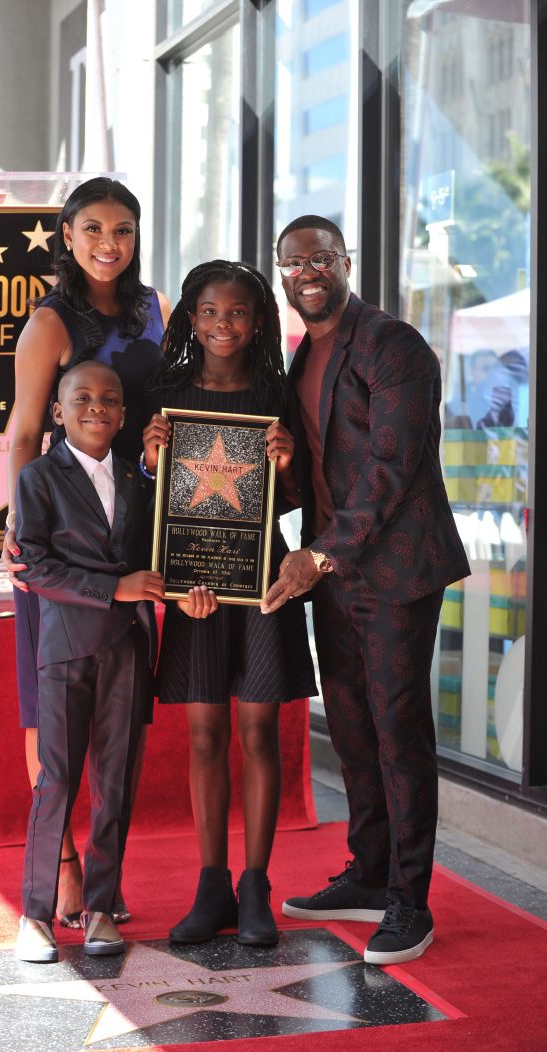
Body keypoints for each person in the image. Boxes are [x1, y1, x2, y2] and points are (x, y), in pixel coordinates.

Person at [261, 216, 471, 966]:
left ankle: (411, 903)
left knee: (397, 731)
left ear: (346, 263)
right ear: (280, 272)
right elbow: (313, 469)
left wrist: (315, 557)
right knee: (350, 727)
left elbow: (390, 469)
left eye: (321, 258)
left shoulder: (393, 345)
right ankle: (371, 873)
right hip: (335, 572)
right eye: (294, 261)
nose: (307, 270)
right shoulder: (300, 355)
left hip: (395, 570)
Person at [3, 177, 170, 927]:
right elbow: (23, 429)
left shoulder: (153, 309)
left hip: (133, 527)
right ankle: (62, 869)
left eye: (125, 229)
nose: (111, 243)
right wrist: (20, 526)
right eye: (94, 227)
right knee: (51, 716)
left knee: (114, 721)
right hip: (63, 536)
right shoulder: (50, 320)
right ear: (66, 234)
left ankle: (102, 879)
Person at [142, 260, 317, 947]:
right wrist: (152, 461)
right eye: (210, 312)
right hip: (195, 582)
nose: (223, 324)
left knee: (259, 733)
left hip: (261, 577)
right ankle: (210, 883)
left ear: (259, 322)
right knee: (206, 734)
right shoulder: (168, 393)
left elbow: (300, 498)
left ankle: (254, 886)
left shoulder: (281, 393)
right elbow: (148, 501)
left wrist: (285, 463)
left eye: (238, 313)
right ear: (191, 318)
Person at [13, 360, 164, 963]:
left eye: (109, 400)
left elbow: (164, 549)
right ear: (58, 411)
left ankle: (101, 907)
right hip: (66, 648)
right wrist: (115, 588)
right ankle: (34, 914)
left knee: (116, 783)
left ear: (124, 415)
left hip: (127, 648)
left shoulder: (137, 480)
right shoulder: (38, 478)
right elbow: (35, 566)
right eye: (82, 398)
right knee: (56, 781)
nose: (96, 408)